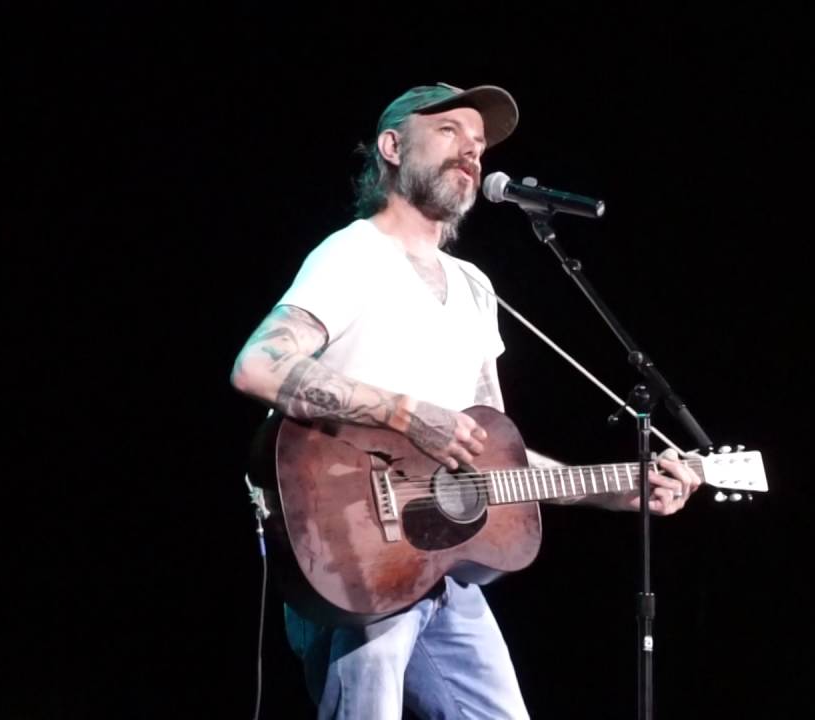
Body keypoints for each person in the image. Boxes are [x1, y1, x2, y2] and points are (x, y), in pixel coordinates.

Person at [229, 82, 704, 719]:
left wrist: (615, 490)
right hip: (353, 554)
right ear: (392, 147)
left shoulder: (476, 287)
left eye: (478, 144)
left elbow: (493, 458)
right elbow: (258, 365)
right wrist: (405, 414)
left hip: (441, 572)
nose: (471, 152)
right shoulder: (352, 255)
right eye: (450, 132)